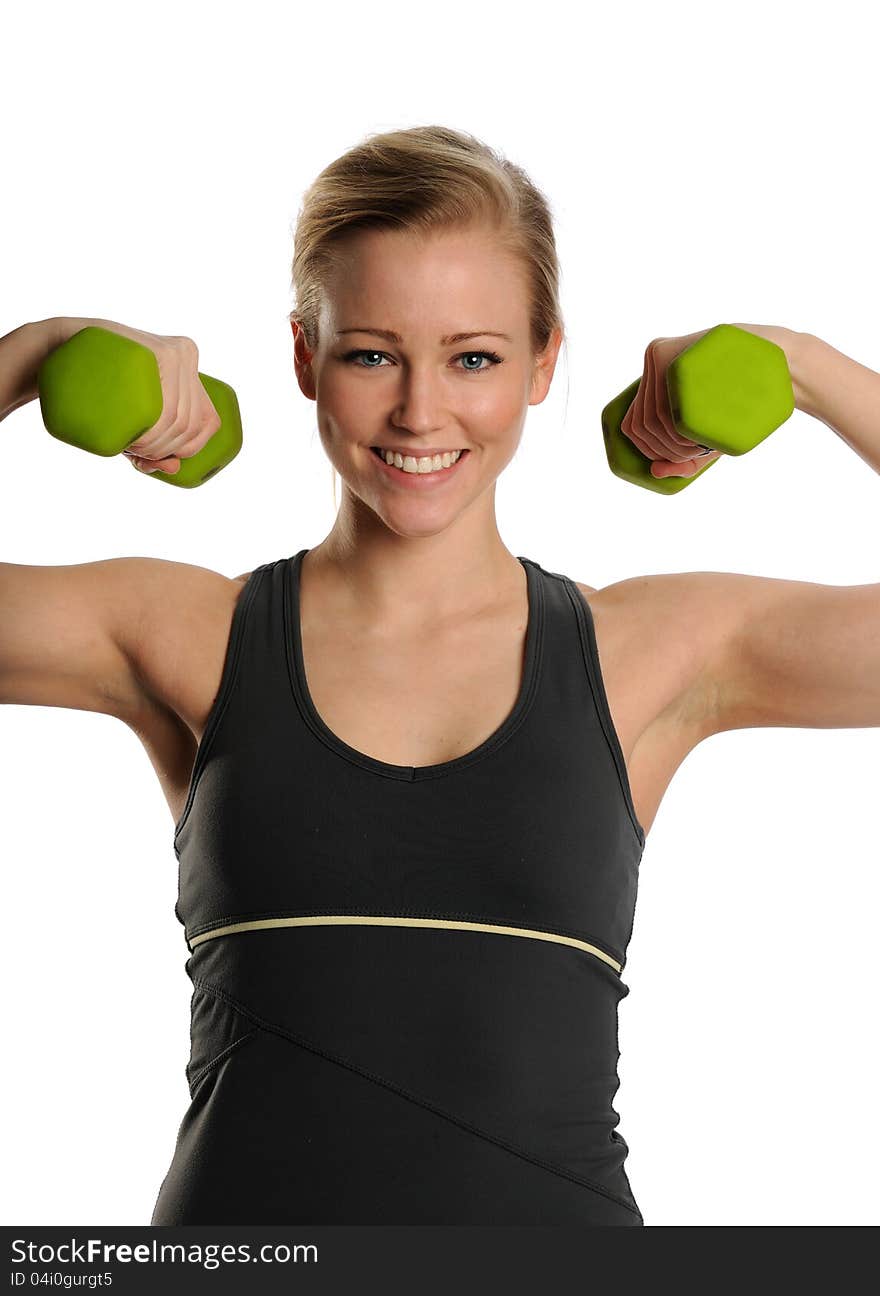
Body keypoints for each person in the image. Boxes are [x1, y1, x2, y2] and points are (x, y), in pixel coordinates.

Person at [1, 125, 875, 1226]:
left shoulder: (649, 653)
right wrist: (32, 356)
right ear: (303, 357)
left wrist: (798, 367)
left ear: (544, 363)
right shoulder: (181, 633)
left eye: (474, 357)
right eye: (371, 353)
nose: (421, 412)